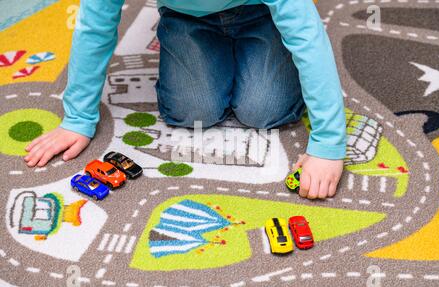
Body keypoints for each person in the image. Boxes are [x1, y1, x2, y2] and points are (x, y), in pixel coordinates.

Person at [24, 0, 346, 199]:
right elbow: (95, 26)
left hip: (260, 13)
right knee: (192, 109)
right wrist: (78, 118)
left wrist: (328, 145)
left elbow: (306, 34)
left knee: (263, 108)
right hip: (186, 18)